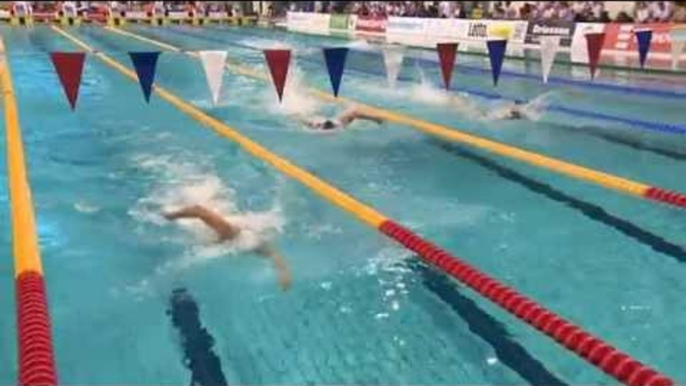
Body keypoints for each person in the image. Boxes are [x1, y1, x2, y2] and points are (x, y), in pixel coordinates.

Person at [163, 205, 292, 291]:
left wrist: (284, 276)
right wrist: (172, 215)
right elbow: (199, 210)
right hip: (194, 209)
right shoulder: (228, 232)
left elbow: (275, 256)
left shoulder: (254, 244)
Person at [300, 106, 384, 131]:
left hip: (331, 124)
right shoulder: (340, 124)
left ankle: (376, 119)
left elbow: (355, 114)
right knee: (354, 112)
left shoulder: (316, 126)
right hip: (333, 124)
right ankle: (376, 119)